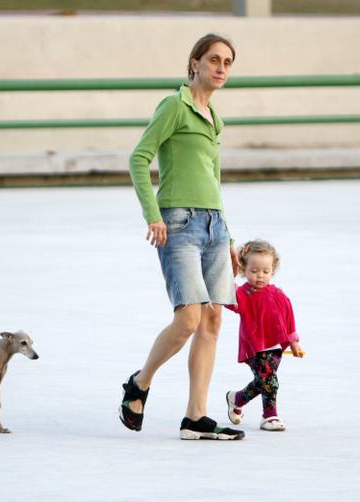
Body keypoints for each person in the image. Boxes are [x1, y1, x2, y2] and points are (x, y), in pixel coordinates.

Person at [119, 33, 245, 441]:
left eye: (227, 62)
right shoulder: (175, 105)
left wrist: (228, 235)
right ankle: (140, 382)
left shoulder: (213, 117)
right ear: (194, 63)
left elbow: (214, 179)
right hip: (178, 223)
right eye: (213, 60)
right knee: (188, 318)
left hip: (214, 226)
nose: (221, 68)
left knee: (212, 320)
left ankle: (196, 416)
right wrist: (152, 215)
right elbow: (139, 157)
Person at [224, 240, 303, 432]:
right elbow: (230, 299)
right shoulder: (244, 294)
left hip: (275, 348)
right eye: (254, 271)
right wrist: (224, 272)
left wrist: (293, 342)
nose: (260, 276)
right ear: (244, 269)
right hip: (254, 347)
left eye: (265, 271)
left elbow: (288, 319)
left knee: (264, 381)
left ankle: (237, 398)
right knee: (270, 381)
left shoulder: (278, 294)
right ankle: (269, 416)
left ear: (272, 270)